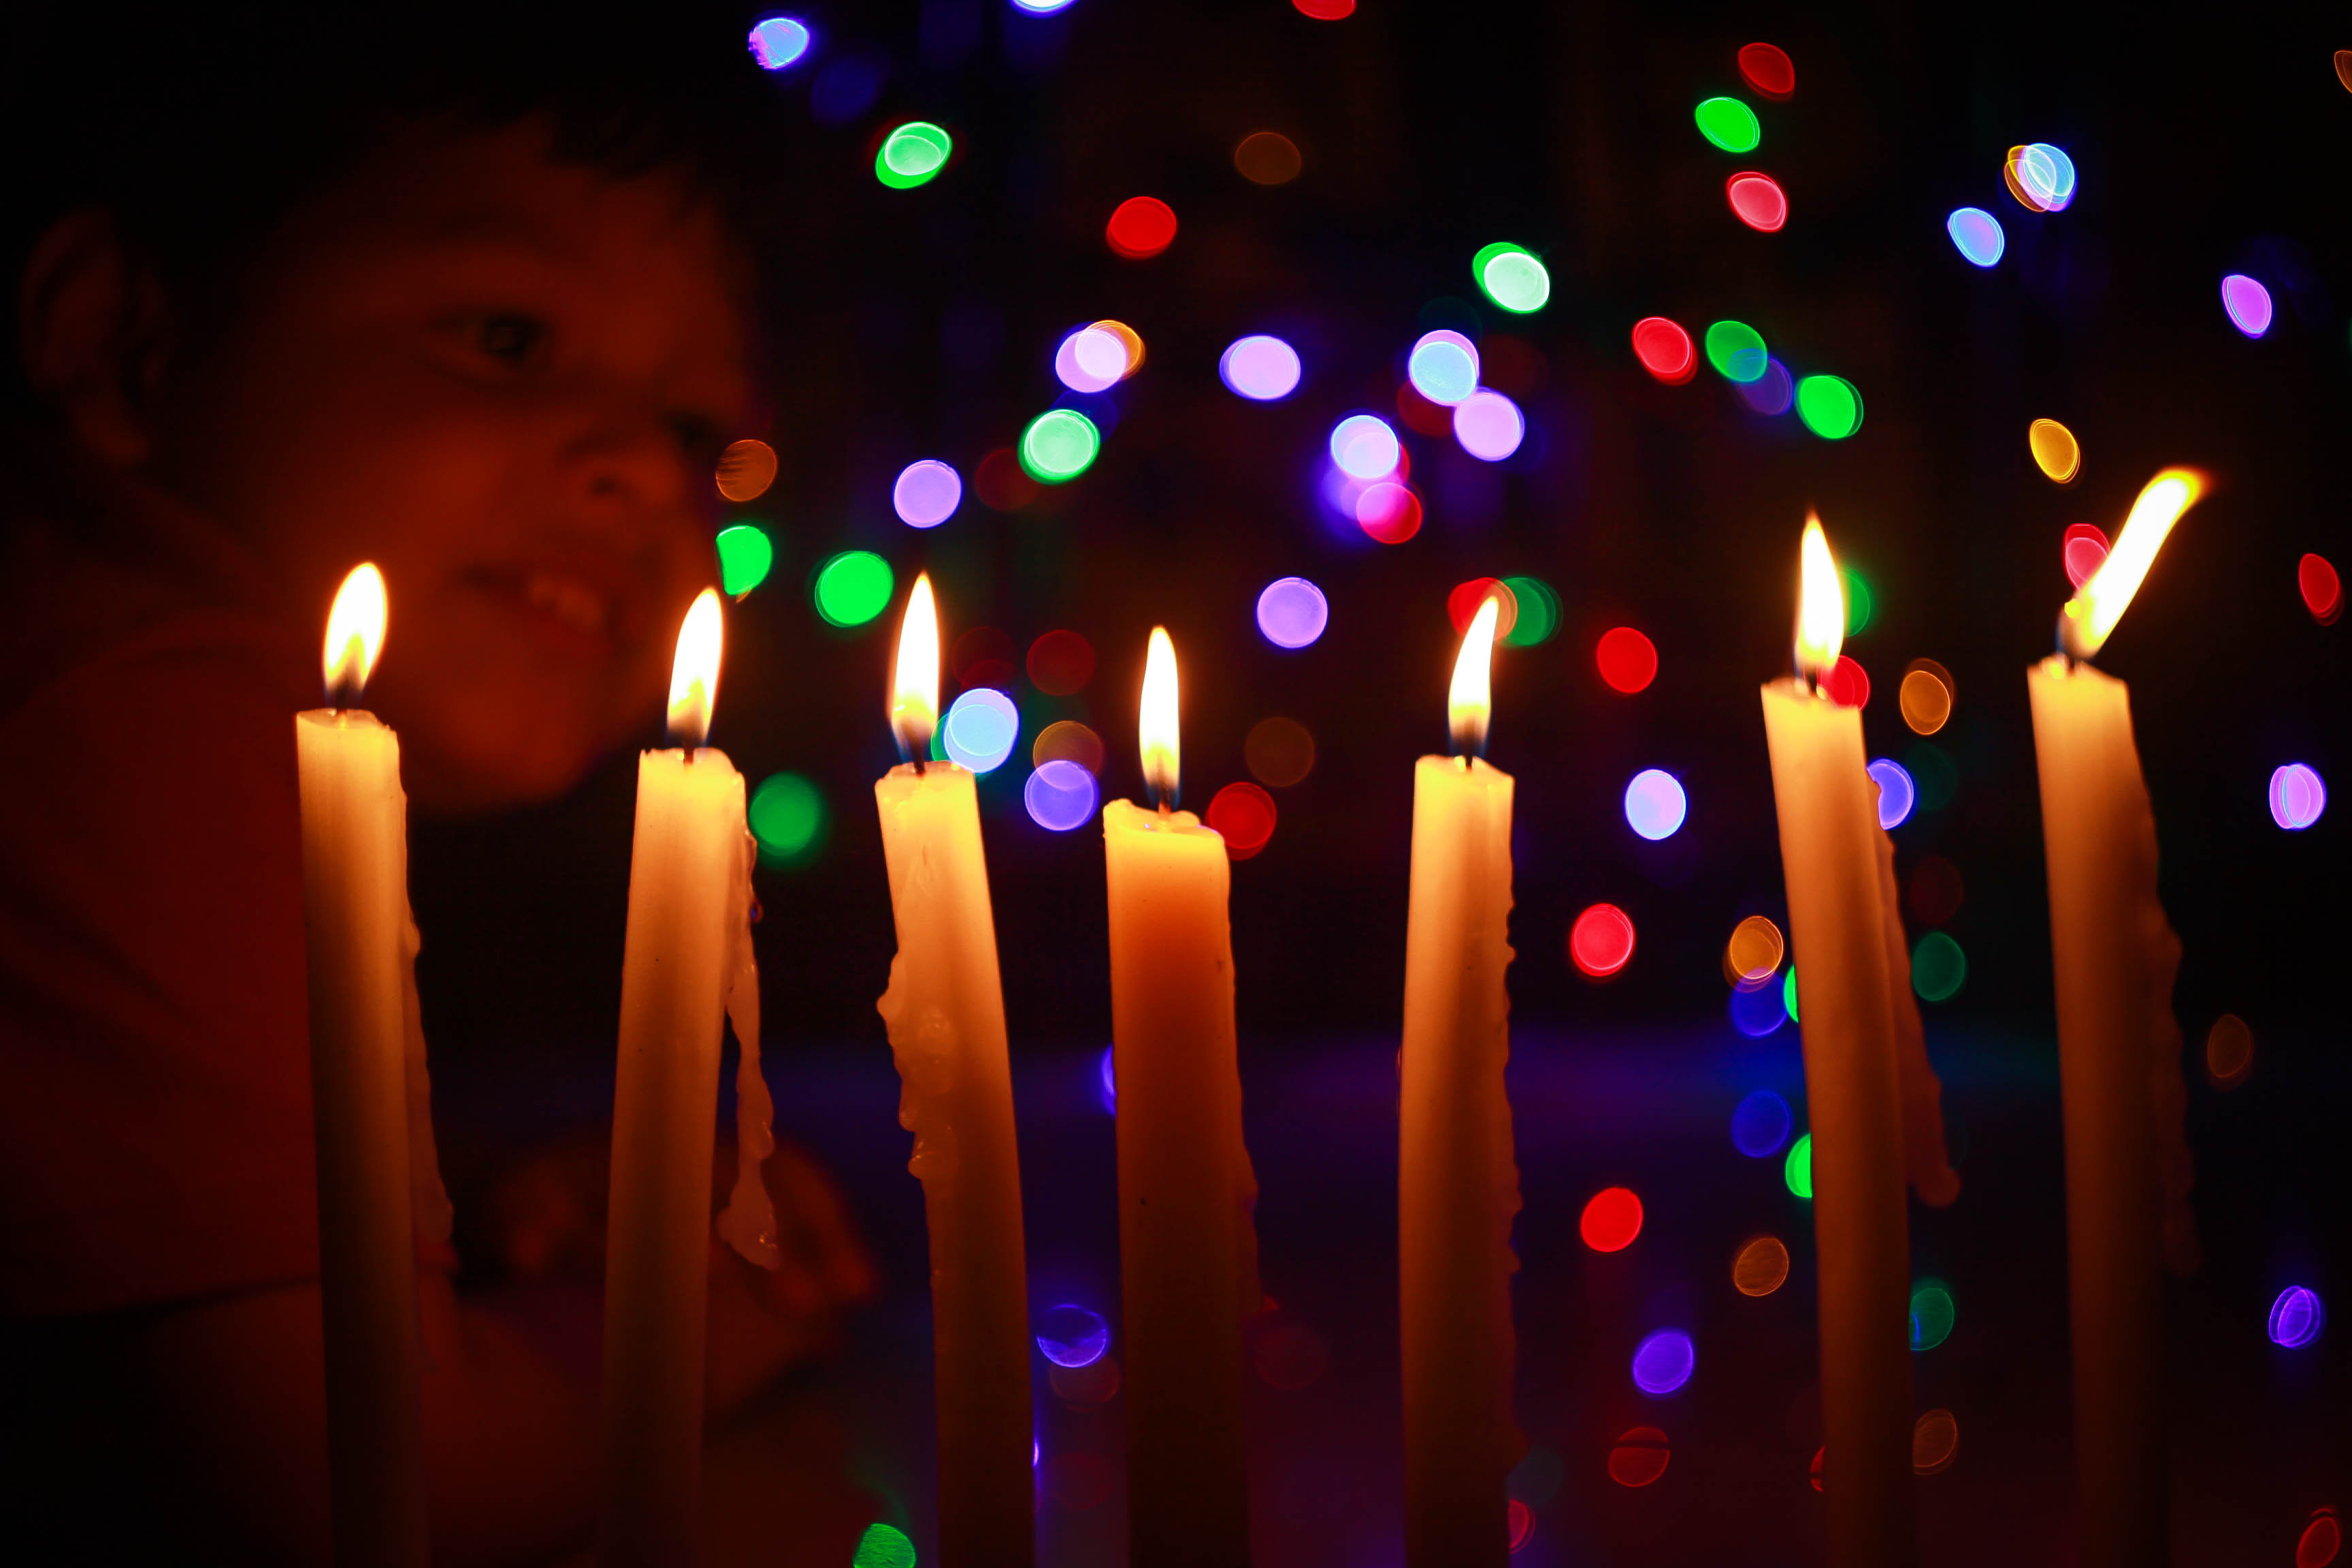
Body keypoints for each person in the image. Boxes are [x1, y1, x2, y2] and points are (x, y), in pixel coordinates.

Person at [0, 8, 876, 1561]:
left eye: (699, 433)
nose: (646, 473)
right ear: (119, 336)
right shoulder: (139, 692)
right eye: (507, 338)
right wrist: (697, 1321)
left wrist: (469, 1207)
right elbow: (372, 1483)